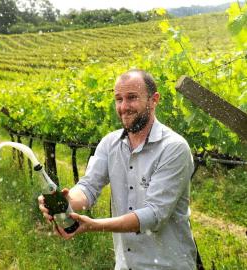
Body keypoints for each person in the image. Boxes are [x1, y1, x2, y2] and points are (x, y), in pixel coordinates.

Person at [38, 69, 197, 269]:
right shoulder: (109, 143)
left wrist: (94, 226)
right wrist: (67, 202)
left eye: (132, 98)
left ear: (154, 100)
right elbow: (89, 186)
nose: (123, 107)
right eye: (118, 99)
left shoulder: (173, 148)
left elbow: (154, 214)